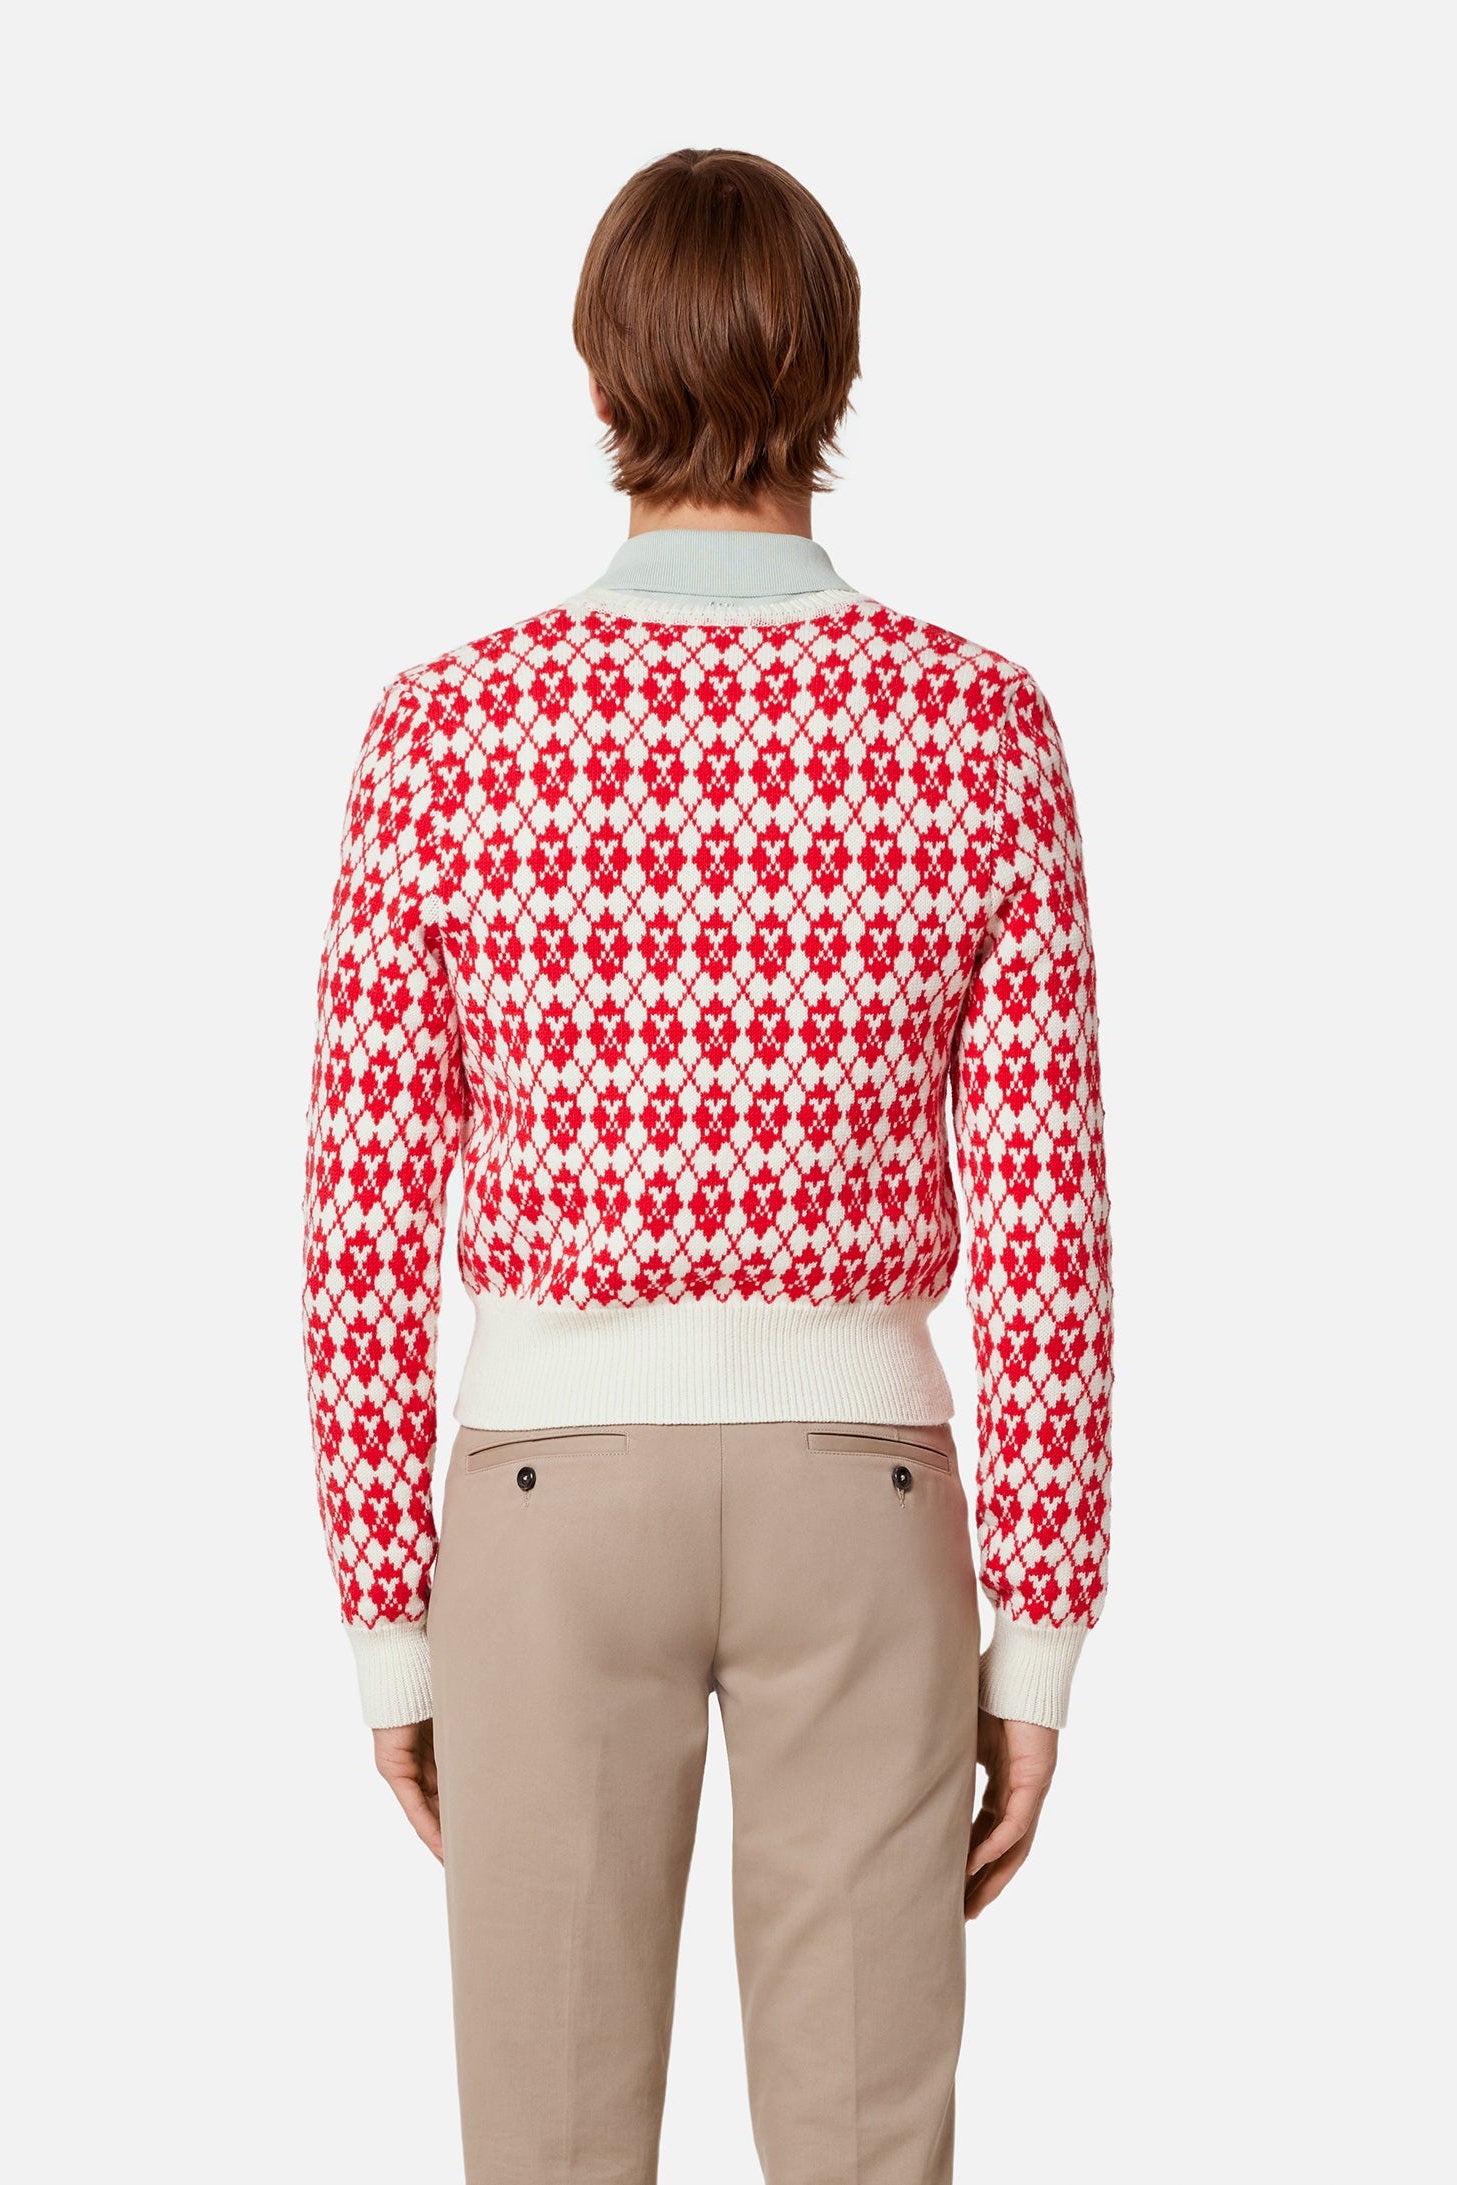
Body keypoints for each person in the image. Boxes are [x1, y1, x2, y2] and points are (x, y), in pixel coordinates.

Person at [302, 144, 1113, 2185]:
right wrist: (1038, 1634)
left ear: (599, 382)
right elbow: (1049, 1225)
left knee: (550, 2148)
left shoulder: (450, 731)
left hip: (547, 1509)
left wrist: (389, 1617)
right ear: (835, 375)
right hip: (870, 1504)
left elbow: (362, 1215)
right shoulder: (979, 726)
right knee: (863, 2146)